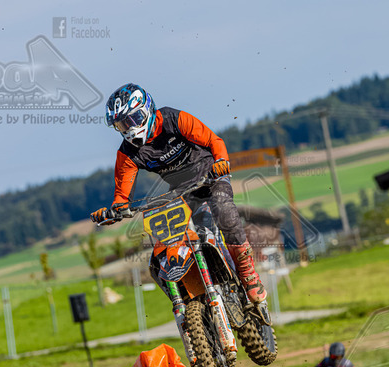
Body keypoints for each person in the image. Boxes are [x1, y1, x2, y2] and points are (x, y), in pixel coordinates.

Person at [90, 83, 266, 304]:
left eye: (133, 119)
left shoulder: (173, 119)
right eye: (121, 124)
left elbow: (214, 141)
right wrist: (116, 210)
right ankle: (192, 299)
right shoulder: (127, 153)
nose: (129, 128)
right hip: (181, 192)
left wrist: (221, 161)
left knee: (224, 210)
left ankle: (248, 273)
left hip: (210, 175)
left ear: (147, 110)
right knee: (167, 244)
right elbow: (122, 194)